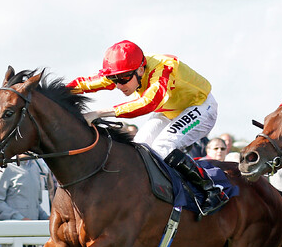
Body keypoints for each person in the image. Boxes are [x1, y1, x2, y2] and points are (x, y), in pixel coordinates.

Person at [67, 40, 227, 215]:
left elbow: (148, 103)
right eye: (114, 79)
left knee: (162, 146)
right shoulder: (126, 72)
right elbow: (87, 84)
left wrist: (99, 113)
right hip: (170, 109)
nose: (119, 85)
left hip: (201, 107)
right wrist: (53, 92)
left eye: (123, 79)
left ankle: (212, 190)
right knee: (139, 147)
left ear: (141, 70)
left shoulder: (164, 68)